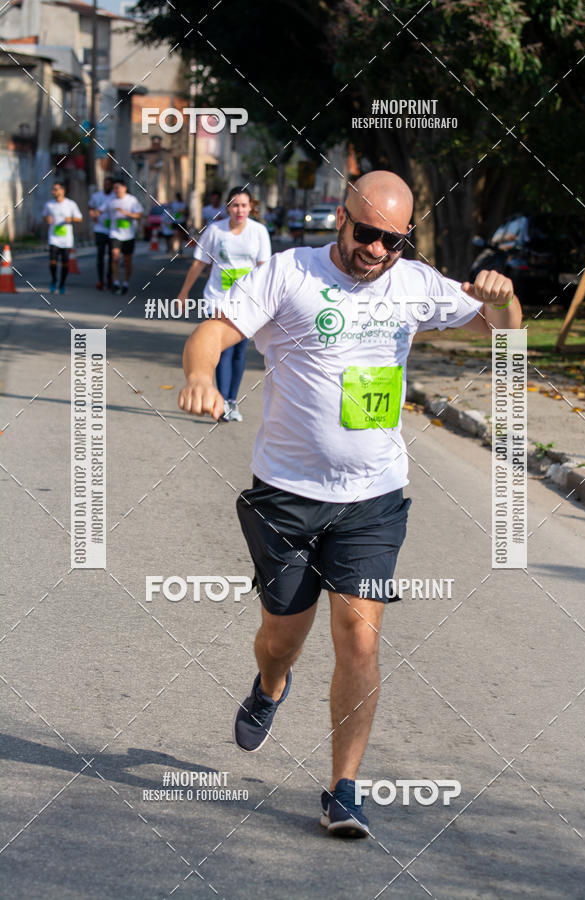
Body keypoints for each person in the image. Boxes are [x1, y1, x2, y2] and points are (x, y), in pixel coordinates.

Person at [178, 171, 522, 837]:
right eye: (367, 233)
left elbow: (502, 333)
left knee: (359, 638)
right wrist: (197, 376)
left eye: (394, 241)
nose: (377, 250)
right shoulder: (289, 274)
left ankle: (343, 789)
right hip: (286, 494)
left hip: (372, 498)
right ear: (342, 218)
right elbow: (213, 334)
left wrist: (503, 301)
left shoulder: (415, 283)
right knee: (282, 637)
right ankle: (270, 685)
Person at [176, 186, 271, 422]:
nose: (239, 210)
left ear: (251, 208)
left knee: (239, 352)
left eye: (244, 205)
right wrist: (184, 292)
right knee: (222, 350)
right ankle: (222, 400)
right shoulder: (215, 231)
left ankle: (231, 400)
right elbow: (198, 264)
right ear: (228, 207)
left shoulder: (258, 232)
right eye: (235, 205)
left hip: (247, 301)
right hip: (217, 298)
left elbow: (263, 270)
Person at [42, 181, 83, 295]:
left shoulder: (71, 204)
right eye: (53, 189)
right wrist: (47, 219)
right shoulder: (49, 204)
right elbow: (45, 216)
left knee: (65, 262)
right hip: (53, 237)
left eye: (55, 189)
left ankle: (62, 284)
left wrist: (71, 219)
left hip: (66, 239)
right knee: (53, 261)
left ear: (62, 191)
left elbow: (79, 218)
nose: (53, 192)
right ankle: (54, 280)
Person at [107, 179, 143, 295]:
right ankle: (116, 282)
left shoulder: (131, 200)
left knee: (127, 261)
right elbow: (101, 210)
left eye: (117, 187)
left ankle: (126, 283)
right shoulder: (111, 200)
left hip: (128, 235)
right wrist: (95, 213)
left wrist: (125, 213)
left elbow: (139, 215)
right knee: (115, 257)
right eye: (114, 188)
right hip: (115, 233)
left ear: (124, 188)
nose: (115, 190)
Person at [88, 177, 114, 290]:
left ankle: (110, 278)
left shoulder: (115, 197)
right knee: (100, 255)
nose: (107, 186)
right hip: (100, 229)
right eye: (105, 184)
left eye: (109, 184)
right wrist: (92, 214)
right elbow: (90, 206)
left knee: (113, 256)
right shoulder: (96, 196)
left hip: (113, 230)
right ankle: (100, 280)